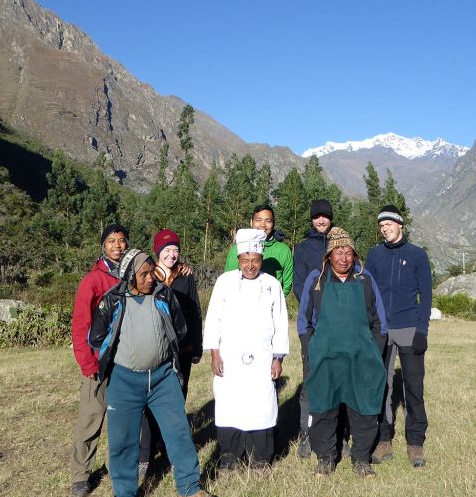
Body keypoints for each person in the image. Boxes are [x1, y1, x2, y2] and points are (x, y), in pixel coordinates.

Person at [88, 249, 217, 497]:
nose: (150, 278)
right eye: (143, 274)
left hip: (162, 378)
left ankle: (189, 487)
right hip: (124, 381)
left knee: (179, 432)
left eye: (150, 272)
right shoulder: (113, 300)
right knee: (123, 440)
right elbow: (96, 337)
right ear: (128, 276)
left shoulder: (163, 294)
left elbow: (180, 329)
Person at [297, 227, 387, 478]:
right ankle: (326, 458)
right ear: (329, 255)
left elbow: (380, 323)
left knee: (364, 410)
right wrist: (312, 352)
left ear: (354, 254)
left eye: (348, 252)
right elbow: (304, 323)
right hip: (326, 358)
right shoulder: (316, 280)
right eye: (338, 252)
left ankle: (361, 459)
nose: (344, 258)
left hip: (361, 358)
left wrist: (373, 354)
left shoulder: (365, 278)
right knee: (324, 408)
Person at [204, 228, 289, 473]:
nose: (250, 266)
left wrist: (278, 358)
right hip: (230, 356)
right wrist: (214, 353)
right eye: (245, 260)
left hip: (262, 357)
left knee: (261, 403)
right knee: (230, 402)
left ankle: (261, 457)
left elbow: (281, 323)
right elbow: (213, 319)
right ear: (238, 260)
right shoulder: (224, 282)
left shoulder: (271, 284)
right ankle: (230, 455)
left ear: (261, 260)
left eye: (255, 260)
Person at [365, 205, 432, 468]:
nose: (385, 228)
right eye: (381, 226)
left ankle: (415, 443)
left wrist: (421, 331)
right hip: (381, 329)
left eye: (389, 224)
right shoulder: (374, 255)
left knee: (413, 387)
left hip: (408, 327)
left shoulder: (417, 255)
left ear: (400, 225)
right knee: (382, 385)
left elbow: (425, 295)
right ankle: (384, 440)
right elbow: (368, 292)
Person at [138, 229, 203, 477]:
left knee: (177, 400)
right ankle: (146, 452)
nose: (172, 255)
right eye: (167, 250)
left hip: (182, 349)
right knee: (149, 402)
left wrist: (196, 346)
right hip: (155, 349)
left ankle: (168, 449)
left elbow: (195, 312)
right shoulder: (146, 276)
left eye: (175, 250)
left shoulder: (186, 277)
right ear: (157, 253)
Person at [70, 223, 128, 497]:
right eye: (111, 241)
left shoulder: (133, 274)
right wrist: (87, 362)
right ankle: (81, 476)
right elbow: (81, 324)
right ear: (103, 246)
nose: (117, 245)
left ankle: (125, 466)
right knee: (91, 419)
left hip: (126, 361)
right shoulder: (93, 280)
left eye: (121, 241)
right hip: (99, 363)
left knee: (125, 420)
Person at [290, 199, 333, 458]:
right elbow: (298, 284)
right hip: (312, 326)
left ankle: (335, 432)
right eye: (316, 217)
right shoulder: (303, 248)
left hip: (338, 326)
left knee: (336, 379)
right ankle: (306, 434)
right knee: (310, 380)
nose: (321, 221)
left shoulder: (339, 245)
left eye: (325, 217)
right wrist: (314, 310)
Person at [224, 204, 294, 296]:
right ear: (251, 222)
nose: (263, 225)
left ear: (273, 223)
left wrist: (274, 301)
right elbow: (229, 279)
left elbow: (287, 284)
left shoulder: (283, 250)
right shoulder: (237, 249)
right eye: (258, 220)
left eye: (268, 221)